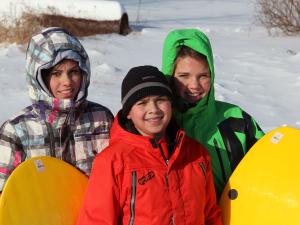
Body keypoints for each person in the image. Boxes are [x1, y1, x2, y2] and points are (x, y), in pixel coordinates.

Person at [76, 65, 222, 225]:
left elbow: (210, 214)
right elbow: (96, 221)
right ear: (129, 113)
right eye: (142, 103)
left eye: (160, 100)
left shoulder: (197, 154)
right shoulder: (112, 161)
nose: (153, 109)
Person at [0, 27, 114, 192]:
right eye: (56, 73)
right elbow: (4, 194)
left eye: (73, 72)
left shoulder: (102, 119)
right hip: (39, 216)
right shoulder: (17, 131)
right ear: (40, 79)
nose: (67, 81)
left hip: (93, 216)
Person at [161, 28, 264, 199]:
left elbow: (268, 169)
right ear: (169, 76)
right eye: (184, 76)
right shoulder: (157, 126)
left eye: (203, 76)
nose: (194, 85)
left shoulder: (236, 120)